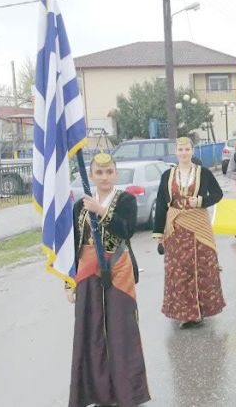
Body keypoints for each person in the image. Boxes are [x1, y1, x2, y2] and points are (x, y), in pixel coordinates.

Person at [68, 152, 150, 407]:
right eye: (99, 173)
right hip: (86, 271)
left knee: (119, 330)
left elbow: (127, 231)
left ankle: (126, 393)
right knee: (91, 331)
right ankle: (98, 392)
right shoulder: (80, 205)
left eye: (109, 172)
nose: (104, 177)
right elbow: (74, 244)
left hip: (117, 269)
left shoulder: (125, 200)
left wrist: (101, 211)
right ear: (91, 175)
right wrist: (68, 282)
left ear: (115, 173)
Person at [154, 137, 226, 328]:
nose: (184, 153)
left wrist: (202, 201)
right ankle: (184, 313)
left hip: (199, 224)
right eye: (180, 149)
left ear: (192, 151)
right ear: (176, 152)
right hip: (176, 226)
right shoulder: (168, 175)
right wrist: (158, 233)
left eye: (187, 149)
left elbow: (218, 194)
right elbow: (161, 204)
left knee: (202, 267)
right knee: (179, 270)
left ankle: (201, 311)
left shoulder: (203, 173)